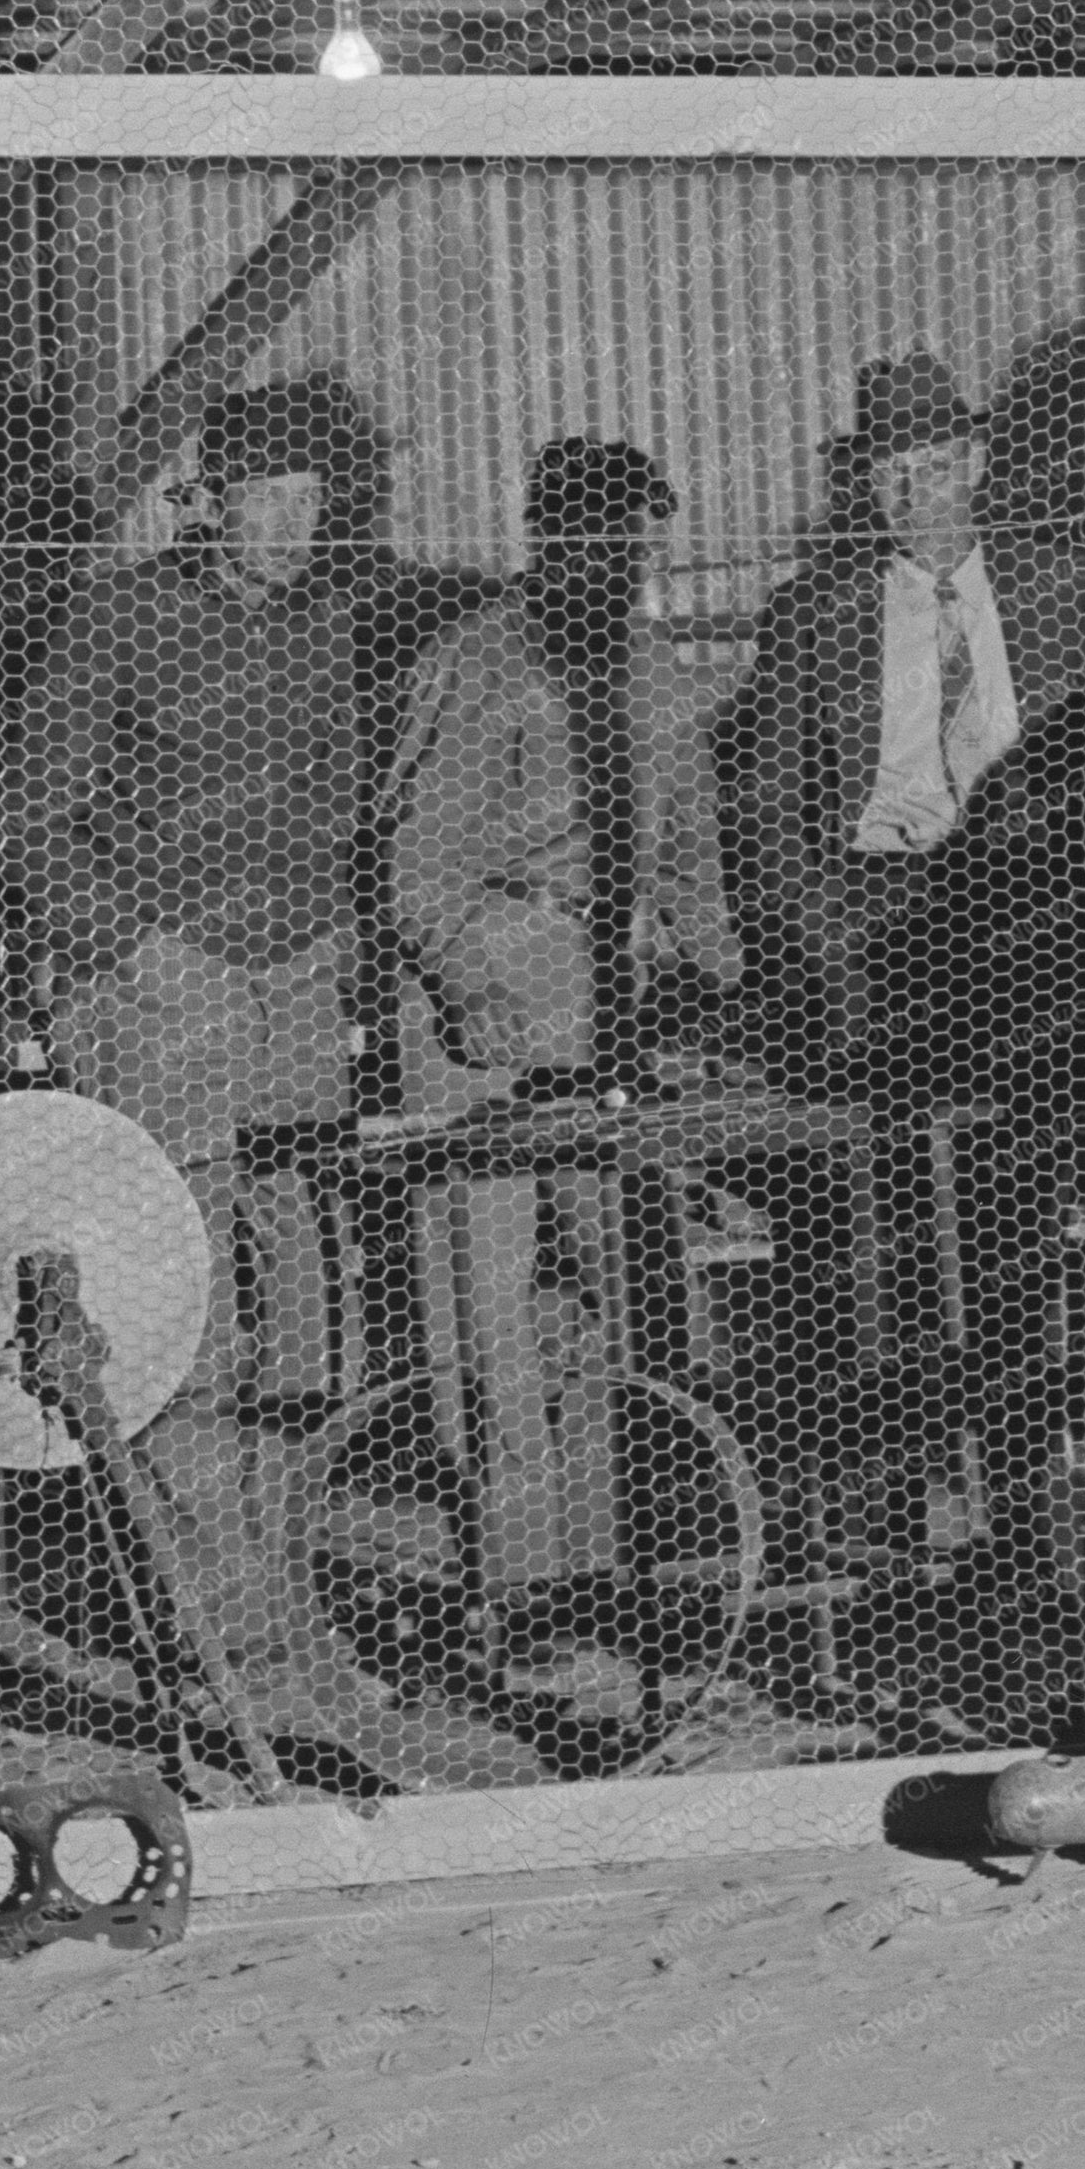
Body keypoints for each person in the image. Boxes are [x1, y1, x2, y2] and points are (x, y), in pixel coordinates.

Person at [0, 373, 508, 1783]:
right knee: (185, 1318)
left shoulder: (327, 628)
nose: (294, 521)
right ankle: (212, 1631)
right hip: (159, 1010)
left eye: (313, 498)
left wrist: (341, 964)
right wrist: (133, 951)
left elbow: (350, 810)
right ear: (203, 501)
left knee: (303, 1320)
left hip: (294, 1006)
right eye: (268, 496)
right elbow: (25, 824)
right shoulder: (114, 618)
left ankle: (287, 1613)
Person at [380, 436, 743, 1639]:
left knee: (612, 1282)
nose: (619, 562)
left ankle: (605, 1561)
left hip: (610, 1003)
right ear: (547, 540)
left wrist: (723, 974)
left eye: (636, 542)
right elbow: (418, 861)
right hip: (490, 994)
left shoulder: (651, 668)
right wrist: (464, 984)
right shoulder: (481, 662)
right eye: (595, 539)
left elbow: (690, 840)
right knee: (484, 1300)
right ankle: (516, 1577)